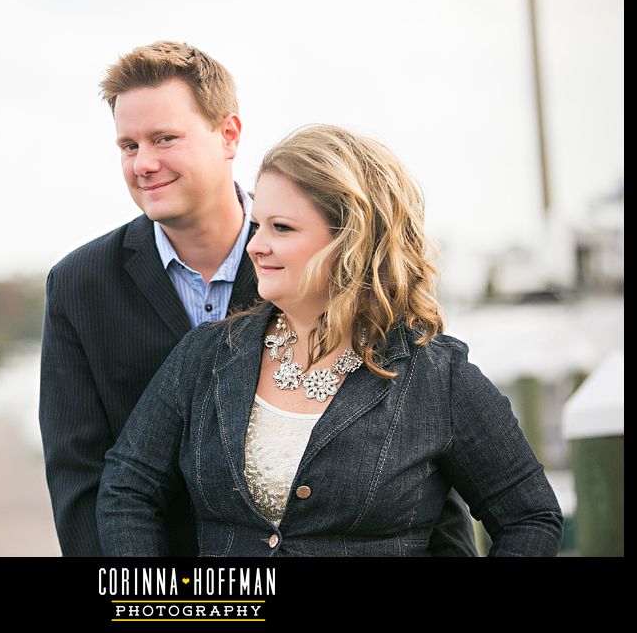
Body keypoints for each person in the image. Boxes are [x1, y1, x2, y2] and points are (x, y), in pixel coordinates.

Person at [40, 41, 476, 556]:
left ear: (229, 134)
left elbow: (419, 451)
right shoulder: (78, 284)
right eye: (128, 146)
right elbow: (80, 480)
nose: (144, 164)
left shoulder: (314, 262)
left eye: (164, 138)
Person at [97, 123, 564, 556]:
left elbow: (530, 517)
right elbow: (127, 487)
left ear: (351, 241)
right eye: (258, 225)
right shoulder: (206, 356)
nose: (255, 245)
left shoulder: (438, 379)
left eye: (281, 228)